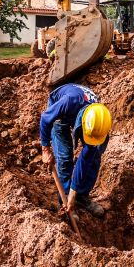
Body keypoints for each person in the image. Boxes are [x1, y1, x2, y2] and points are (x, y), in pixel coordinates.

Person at [40, 84, 112, 218]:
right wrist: (45, 149)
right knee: (64, 157)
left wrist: (76, 191)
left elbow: (85, 160)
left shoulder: (101, 119)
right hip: (61, 114)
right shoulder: (67, 103)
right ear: (83, 124)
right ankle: (65, 199)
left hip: (80, 110)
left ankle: (81, 196)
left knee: (94, 157)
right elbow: (45, 118)